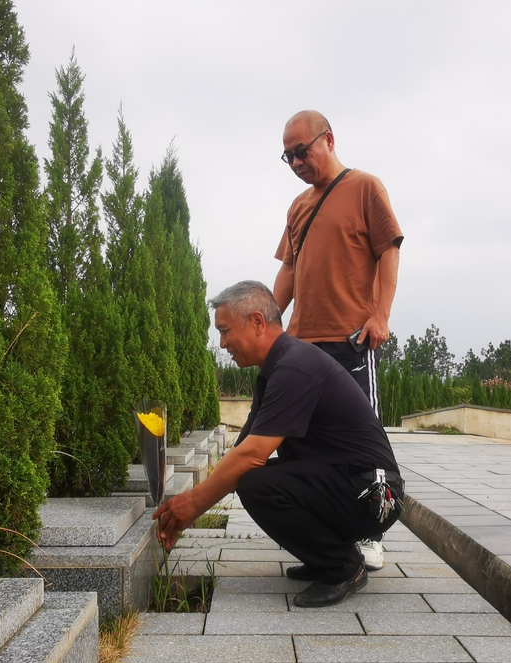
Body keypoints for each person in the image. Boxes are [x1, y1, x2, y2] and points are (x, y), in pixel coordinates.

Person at [152, 281, 404, 608]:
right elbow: (242, 450)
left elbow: (252, 457)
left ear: (257, 322)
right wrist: (192, 499)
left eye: (226, 331)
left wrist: (193, 504)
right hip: (350, 485)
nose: (222, 342)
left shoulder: (295, 366)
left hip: (374, 495)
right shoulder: (276, 370)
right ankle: (328, 555)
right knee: (251, 478)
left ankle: (342, 566)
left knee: (257, 483)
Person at [273, 110, 404, 570]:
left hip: (349, 342)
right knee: (299, 447)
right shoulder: (298, 206)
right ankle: (325, 543)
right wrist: (271, 323)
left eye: (301, 151)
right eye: (287, 156)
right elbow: (289, 269)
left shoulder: (366, 187)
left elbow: (389, 251)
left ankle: (371, 534)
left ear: (327, 139)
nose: (295, 162)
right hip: (300, 346)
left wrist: (379, 315)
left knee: (362, 448)